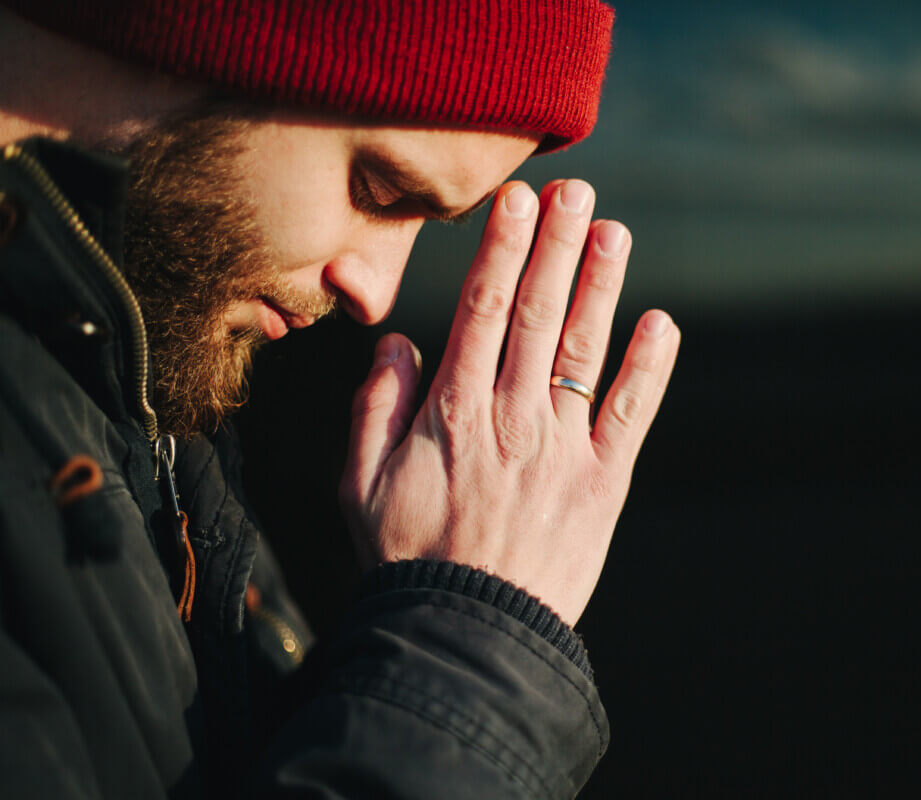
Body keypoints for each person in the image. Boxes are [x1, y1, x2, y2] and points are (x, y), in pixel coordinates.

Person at [0, 1, 680, 797]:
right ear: (197, 31)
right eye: (379, 187)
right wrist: (464, 652)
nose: (375, 293)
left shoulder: (136, 377)